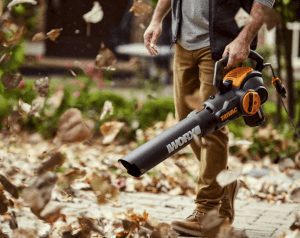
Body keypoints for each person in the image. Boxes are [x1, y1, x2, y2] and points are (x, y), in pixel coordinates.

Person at [143, 0, 275, 236]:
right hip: (183, 43)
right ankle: (224, 184)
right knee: (186, 125)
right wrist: (156, 20)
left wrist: (243, 39)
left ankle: (207, 211)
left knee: (210, 125)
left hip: (221, 47)